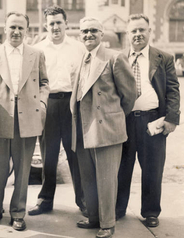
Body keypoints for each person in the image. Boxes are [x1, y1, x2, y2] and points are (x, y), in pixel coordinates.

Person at [0, 12, 49, 231]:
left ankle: (18, 213)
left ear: (26, 30)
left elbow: (45, 83)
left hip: (27, 117)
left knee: (23, 169)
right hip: (0, 119)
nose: (16, 31)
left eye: (21, 28)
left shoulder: (36, 54)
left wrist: (42, 105)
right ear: (5, 29)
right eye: (12, 27)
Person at [70, 17, 136, 238]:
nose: (88, 35)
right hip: (82, 128)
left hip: (106, 129)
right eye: (84, 31)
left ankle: (108, 224)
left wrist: (111, 117)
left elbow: (129, 95)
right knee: (88, 178)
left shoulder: (114, 58)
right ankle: (94, 217)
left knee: (107, 180)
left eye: (92, 31)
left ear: (101, 34)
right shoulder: (81, 58)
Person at [116, 14, 180, 228]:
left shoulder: (164, 58)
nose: (138, 34)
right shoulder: (118, 58)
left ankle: (151, 211)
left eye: (142, 30)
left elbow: (173, 91)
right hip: (123, 122)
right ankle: (117, 208)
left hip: (152, 122)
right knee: (121, 168)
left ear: (150, 32)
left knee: (153, 169)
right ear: (127, 34)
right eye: (133, 30)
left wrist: (171, 119)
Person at [28, 5, 86, 216]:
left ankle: (83, 200)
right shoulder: (39, 49)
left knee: (75, 155)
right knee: (48, 156)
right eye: (51, 23)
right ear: (46, 25)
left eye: (59, 22)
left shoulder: (78, 47)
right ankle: (45, 200)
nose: (55, 27)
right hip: (49, 103)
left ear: (66, 24)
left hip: (72, 103)